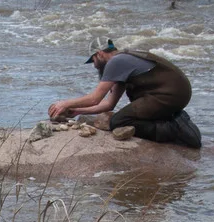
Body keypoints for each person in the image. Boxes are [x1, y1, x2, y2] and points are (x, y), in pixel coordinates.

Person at [48, 39, 202, 148]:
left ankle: (173, 129)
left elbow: (95, 99)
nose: (94, 65)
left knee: (119, 122)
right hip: (175, 95)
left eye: (93, 60)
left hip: (166, 95)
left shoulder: (116, 62)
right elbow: (109, 104)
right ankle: (173, 119)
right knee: (121, 118)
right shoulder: (123, 61)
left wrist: (64, 103)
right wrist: (77, 111)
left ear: (100, 54)